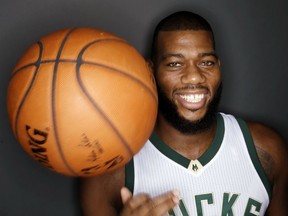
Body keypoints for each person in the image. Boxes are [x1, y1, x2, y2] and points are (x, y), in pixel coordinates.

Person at [80, 11, 288, 215]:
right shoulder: (112, 172)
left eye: (206, 62)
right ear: (150, 72)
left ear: (219, 68)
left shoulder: (265, 150)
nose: (194, 77)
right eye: (175, 64)